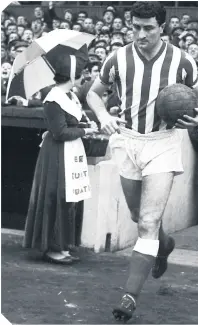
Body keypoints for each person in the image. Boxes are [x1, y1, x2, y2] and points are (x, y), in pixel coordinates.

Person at [87, 1, 198, 321]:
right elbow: (93, 93)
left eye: (148, 28)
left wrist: (197, 117)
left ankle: (129, 296)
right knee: (135, 214)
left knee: (147, 222)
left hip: (163, 143)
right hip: (128, 141)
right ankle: (163, 245)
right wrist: (102, 115)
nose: (141, 34)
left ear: (162, 27)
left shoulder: (182, 60)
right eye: (136, 27)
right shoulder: (117, 58)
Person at [23, 50, 98, 265]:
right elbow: (60, 133)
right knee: (57, 197)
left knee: (69, 199)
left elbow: (70, 124)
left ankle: (63, 245)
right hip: (56, 154)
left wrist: (85, 125)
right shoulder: (53, 99)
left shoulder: (70, 95)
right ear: (72, 74)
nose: (83, 77)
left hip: (69, 151)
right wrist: (86, 132)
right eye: (81, 73)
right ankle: (52, 247)